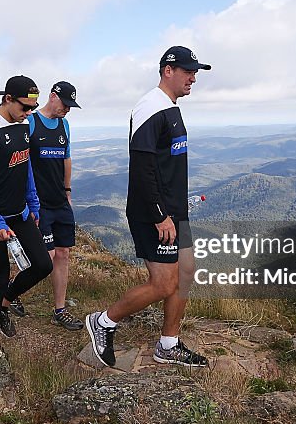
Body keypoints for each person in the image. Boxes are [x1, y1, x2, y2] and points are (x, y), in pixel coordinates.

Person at [86, 46, 211, 368]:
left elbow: (165, 163)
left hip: (174, 210)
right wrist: (160, 215)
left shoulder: (170, 107)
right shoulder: (150, 107)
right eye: (187, 71)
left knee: (185, 274)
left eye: (195, 72)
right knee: (163, 283)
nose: (193, 78)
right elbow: (141, 167)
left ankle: (168, 344)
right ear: (167, 70)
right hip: (154, 213)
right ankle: (103, 322)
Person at [0, 76, 53, 341]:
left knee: (42, 265)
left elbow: (25, 166)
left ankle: (5, 304)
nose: (28, 113)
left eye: (32, 108)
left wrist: (34, 204)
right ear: (7, 99)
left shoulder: (23, 123)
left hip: (20, 213)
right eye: (24, 107)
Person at [27, 81, 83, 330]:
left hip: (60, 200)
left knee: (63, 254)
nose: (67, 110)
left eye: (71, 106)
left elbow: (66, 157)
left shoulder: (64, 125)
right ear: (52, 97)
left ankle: (59, 309)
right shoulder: (31, 122)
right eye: (65, 104)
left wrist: (68, 190)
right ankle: (11, 292)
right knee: (45, 257)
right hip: (38, 203)